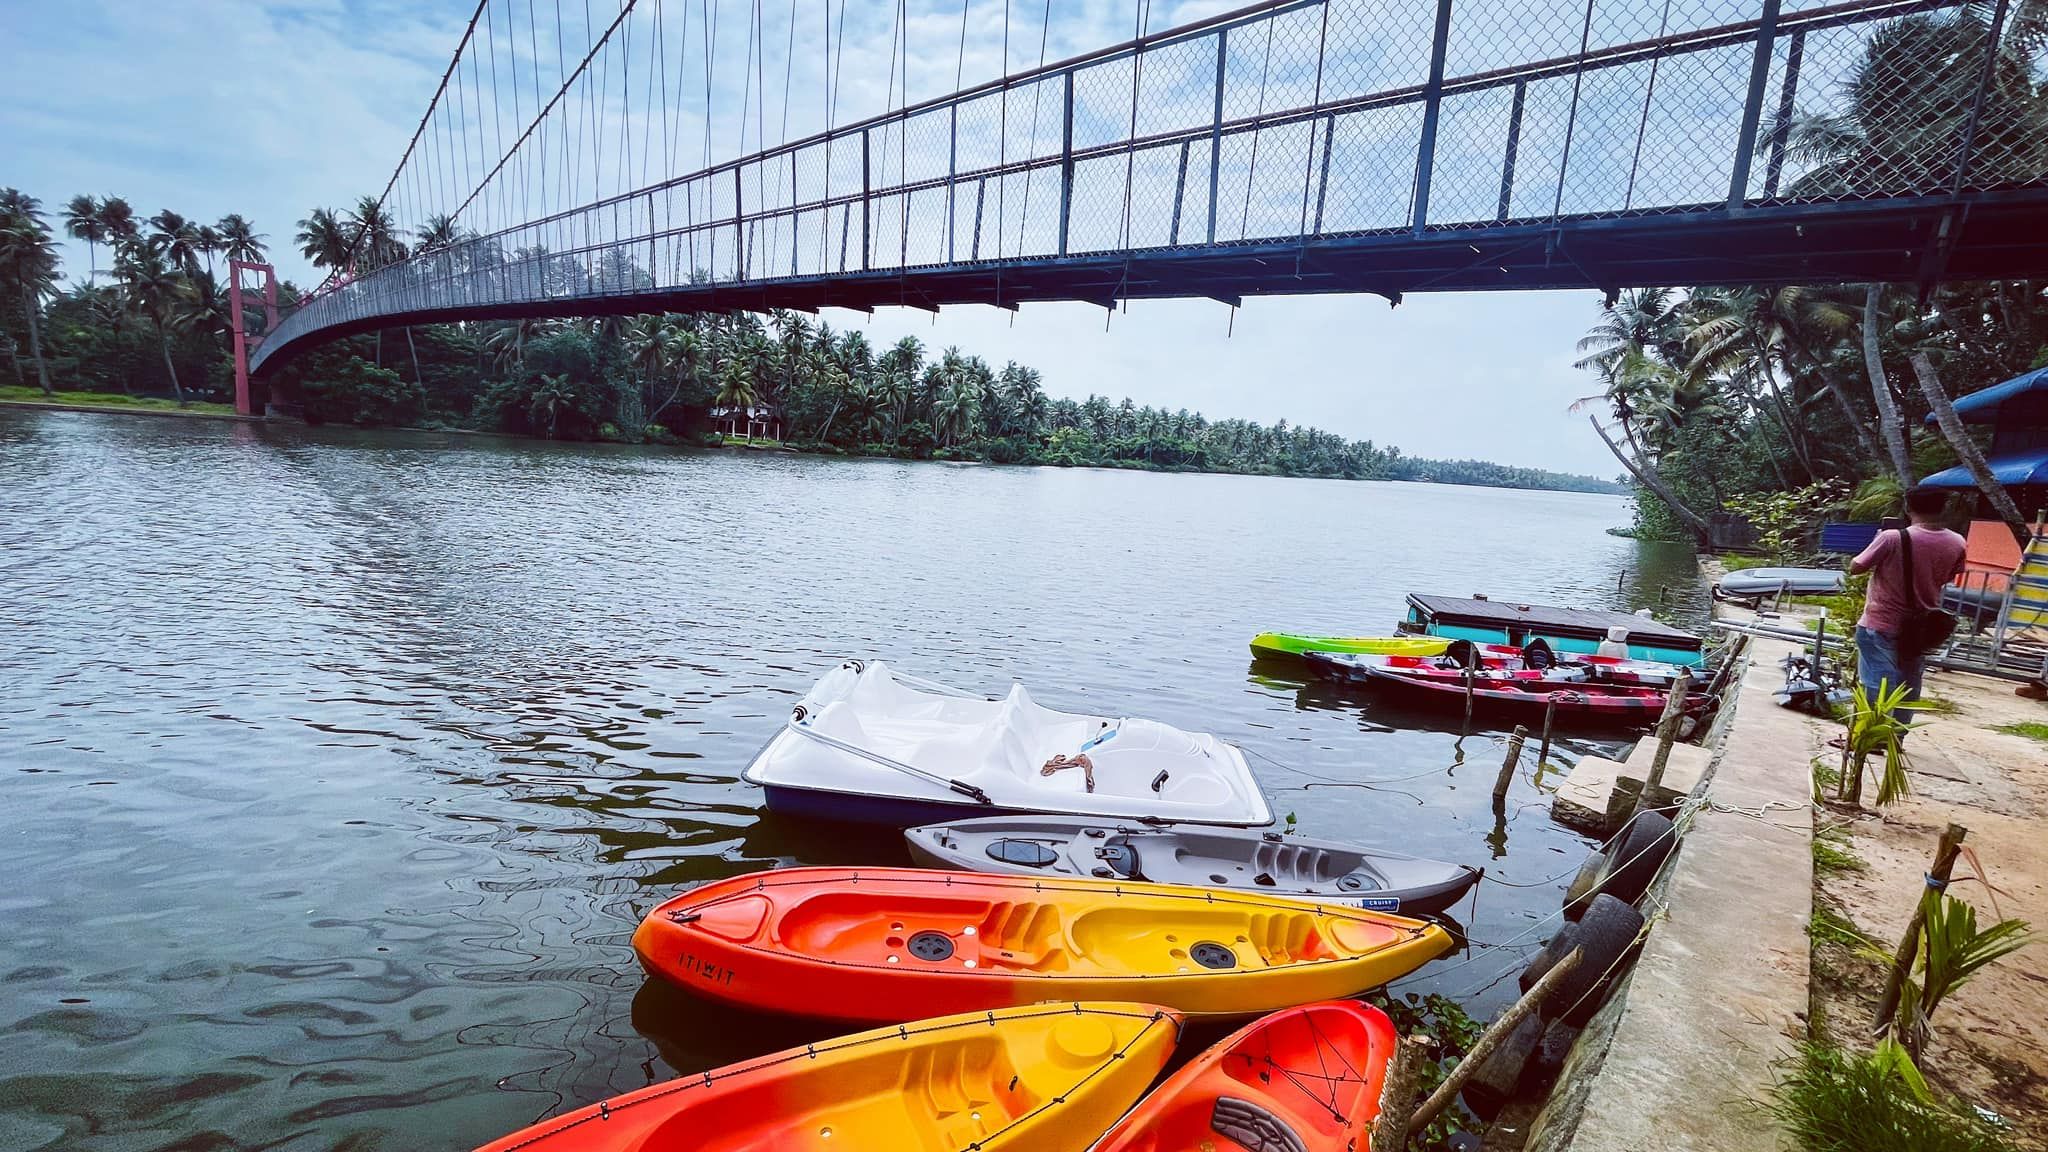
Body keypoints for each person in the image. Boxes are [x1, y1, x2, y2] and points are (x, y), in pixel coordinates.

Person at [1849, 486, 1968, 722]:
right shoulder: (1957, 542)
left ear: (1907, 507)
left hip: (1880, 623)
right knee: (1908, 685)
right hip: (1920, 627)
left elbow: (1856, 567)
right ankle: (1897, 734)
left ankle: (1870, 733)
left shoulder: (1891, 538)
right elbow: (1948, 576)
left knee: (1877, 683)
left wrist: (1877, 543)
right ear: (1944, 508)